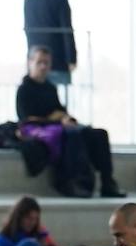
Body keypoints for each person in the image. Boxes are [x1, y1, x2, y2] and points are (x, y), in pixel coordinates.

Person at [17, 45, 123, 198]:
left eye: (46, 62)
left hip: (61, 125)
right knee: (73, 136)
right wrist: (53, 119)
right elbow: (26, 119)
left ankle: (108, 183)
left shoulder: (50, 88)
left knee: (99, 134)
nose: (43, 66)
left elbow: (60, 111)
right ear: (30, 62)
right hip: (43, 129)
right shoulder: (24, 89)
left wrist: (65, 118)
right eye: (39, 62)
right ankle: (75, 183)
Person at [23, 0, 76, 87]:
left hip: (35, 59)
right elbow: (66, 30)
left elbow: (27, 29)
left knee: (37, 98)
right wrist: (71, 59)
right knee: (57, 98)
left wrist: (31, 58)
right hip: (58, 60)